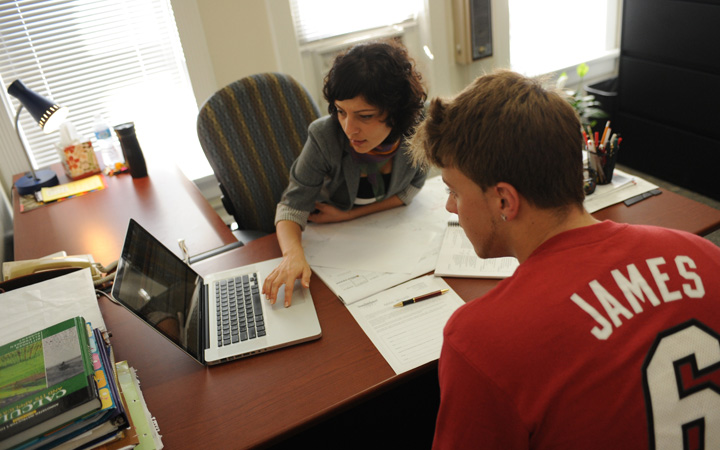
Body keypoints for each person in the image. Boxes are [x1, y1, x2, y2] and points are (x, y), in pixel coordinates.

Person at [409, 70, 720, 449]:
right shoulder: (703, 254)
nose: (450, 206)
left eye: (454, 191)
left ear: (504, 200)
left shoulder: (480, 341)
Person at [262, 40, 427, 307]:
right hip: (336, 251)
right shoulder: (325, 136)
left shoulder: (419, 127)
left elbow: (411, 189)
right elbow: (291, 207)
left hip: (391, 239)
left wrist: (349, 215)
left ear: (396, 113)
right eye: (341, 111)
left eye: (364, 116)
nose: (349, 128)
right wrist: (293, 255)